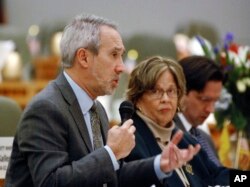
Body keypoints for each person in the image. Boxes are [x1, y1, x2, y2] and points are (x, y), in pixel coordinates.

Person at [4, 14, 200, 187]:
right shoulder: (46, 108)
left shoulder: (96, 109)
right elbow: (51, 182)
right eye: (114, 55)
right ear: (84, 58)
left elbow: (110, 176)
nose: (121, 67)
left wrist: (159, 164)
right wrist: (110, 153)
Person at [124, 55, 231, 187]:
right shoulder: (128, 139)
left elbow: (218, 176)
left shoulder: (185, 140)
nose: (165, 99)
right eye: (155, 91)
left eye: (171, 91)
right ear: (137, 97)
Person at [174, 55, 223, 166]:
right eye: (204, 99)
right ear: (181, 91)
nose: (210, 109)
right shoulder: (167, 135)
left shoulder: (206, 138)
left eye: (215, 101)